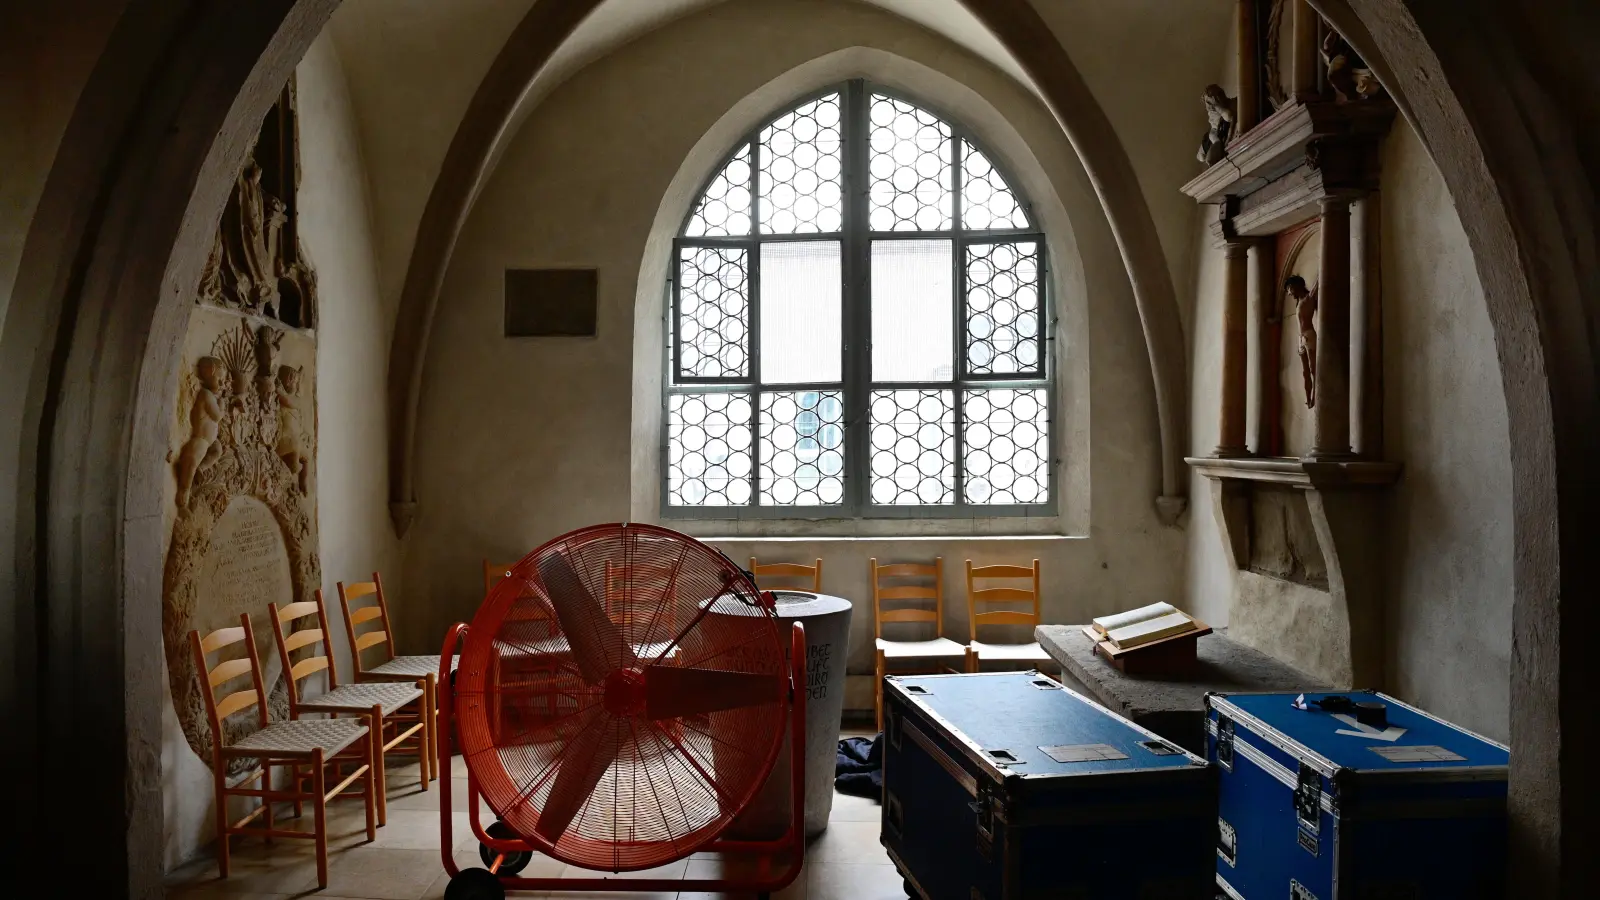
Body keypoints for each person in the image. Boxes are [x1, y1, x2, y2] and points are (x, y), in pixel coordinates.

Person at [1285, 275, 1318, 408]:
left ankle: (1315, 396)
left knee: (1312, 369)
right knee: (1305, 372)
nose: (1289, 292)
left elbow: (1317, 284)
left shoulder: (1307, 298)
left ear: (1297, 286)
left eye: (1289, 288)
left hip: (1309, 336)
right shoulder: (1299, 302)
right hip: (1301, 339)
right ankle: (1308, 398)